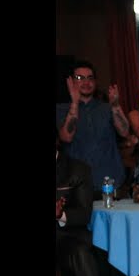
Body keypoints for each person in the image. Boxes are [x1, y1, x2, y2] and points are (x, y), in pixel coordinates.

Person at [56, 127, 110, 276]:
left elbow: (84, 214)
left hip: (64, 236)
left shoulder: (77, 170)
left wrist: (60, 214)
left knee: (81, 252)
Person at [56, 60, 131, 191]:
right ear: (71, 82)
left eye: (90, 78)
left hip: (111, 181)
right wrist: (74, 103)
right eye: (80, 78)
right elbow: (66, 137)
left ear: (95, 82)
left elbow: (124, 132)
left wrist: (115, 105)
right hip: (78, 185)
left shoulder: (106, 108)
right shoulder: (62, 109)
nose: (86, 82)